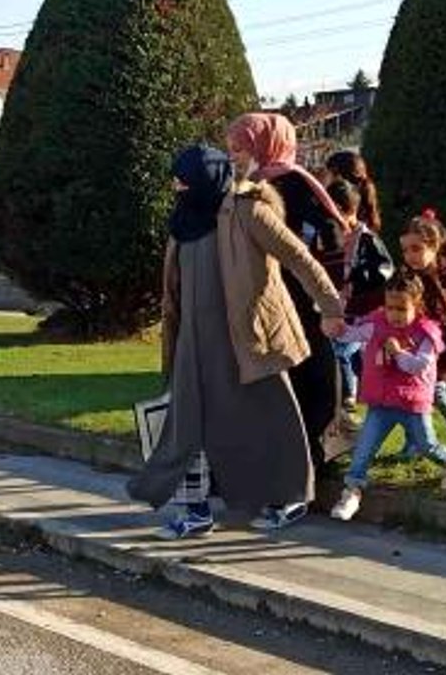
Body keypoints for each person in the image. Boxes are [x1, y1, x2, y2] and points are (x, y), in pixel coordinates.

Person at [128, 145, 344, 534]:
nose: (177, 185)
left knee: (273, 417)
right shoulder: (184, 218)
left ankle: (292, 495)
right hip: (193, 341)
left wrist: (331, 308)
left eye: (184, 178)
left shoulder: (248, 211)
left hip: (248, 338)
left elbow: (299, 258)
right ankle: (196, 511)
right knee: (186, 424)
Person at [226, 113, 348, 478]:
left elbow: (325, 242)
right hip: (268, 298)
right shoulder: (246, 187)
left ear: (265, 145)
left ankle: (316, 456)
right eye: (230, 149)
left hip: (303, 298)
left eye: (241, 148)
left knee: (311, 377)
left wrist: (328, 301)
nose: (234, 156)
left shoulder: (294, 183)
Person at [330, 273, 446, 521]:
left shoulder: (426, 333)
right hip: (381, 402)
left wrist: (399, 353)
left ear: (417, 304)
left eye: (402, 308)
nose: (394, 314)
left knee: (427, 445)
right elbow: (353, 334)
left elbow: (419, 366)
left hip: (412, 403)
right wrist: (337, 330)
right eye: (390, 307)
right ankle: (352, 490)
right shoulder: (377, 323)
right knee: (364, 448)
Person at [397, 210, 446, 452]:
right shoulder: (406, 275)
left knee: (435, 390)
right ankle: (415, 440)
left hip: (443, 345)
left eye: (416, 248)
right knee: (411, 392)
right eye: (405, 250)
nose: (410, 256)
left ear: (434, 246)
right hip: (413, 343)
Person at [326, 179, 394, 412]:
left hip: (363, 310)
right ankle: (371, 393)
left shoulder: (367, 239)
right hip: (341, 308)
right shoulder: (332, 237)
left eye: (336, 213)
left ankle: (348, 396)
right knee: (354, 358)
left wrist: (357, 279)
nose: (332, 220)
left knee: (341, 350)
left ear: (350, 210)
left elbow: (385, 270)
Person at [323, 150, 382, 234]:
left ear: (338, 177)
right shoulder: (364, 228)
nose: (324, 178)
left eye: (327, 173)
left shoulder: (343, 230)